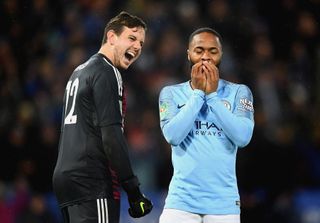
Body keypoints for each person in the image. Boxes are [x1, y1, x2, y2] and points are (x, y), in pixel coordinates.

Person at [52, 11, 153, 223]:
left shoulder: (79, 71)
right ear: (111, 37)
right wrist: (133, 190)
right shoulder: (108, 72)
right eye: (132, 38)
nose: (137, 47)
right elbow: (111, 136)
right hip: (92, 180)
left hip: (66, 180)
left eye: (141, 44)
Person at [158, 27, 254, 223]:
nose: (206, 57)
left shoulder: (239, 93)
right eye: (199, 50)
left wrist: (212, 97)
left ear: (221, 55)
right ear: (189, 54)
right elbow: (173, 136)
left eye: (213, 51)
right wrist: (198, 94)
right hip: (181, 203)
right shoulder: (170, 93)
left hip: (223, 205)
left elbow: (243, 138)